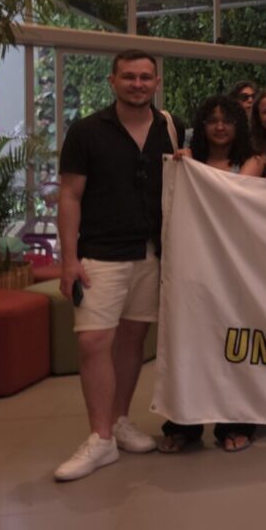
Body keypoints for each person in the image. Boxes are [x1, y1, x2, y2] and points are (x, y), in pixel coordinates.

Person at [54, 51, 187, 481]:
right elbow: (70, 196)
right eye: (128, 76)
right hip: (100, 252)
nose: (137, 83)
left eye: (145, 77)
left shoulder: (171, 127)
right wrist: (69, 259)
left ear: (157, 81)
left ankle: (119, 420)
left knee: (133, 340)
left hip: (152, 251)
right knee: (94, 342)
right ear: (112, 81)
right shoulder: (87, 131)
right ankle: (100, 438)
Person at [158, 94, 257, 454]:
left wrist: (191, 171)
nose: (219, 126)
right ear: (200, 126)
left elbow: (234, 194)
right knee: (187, 344)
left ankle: (236, 422)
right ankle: (183, 424)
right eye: (212, 120)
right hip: (191, 266)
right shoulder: (187, 163)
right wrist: (182, 166)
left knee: (233, 345)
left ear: (238, 125)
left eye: (227, 120)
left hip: (235, 267)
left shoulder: (251, 161)